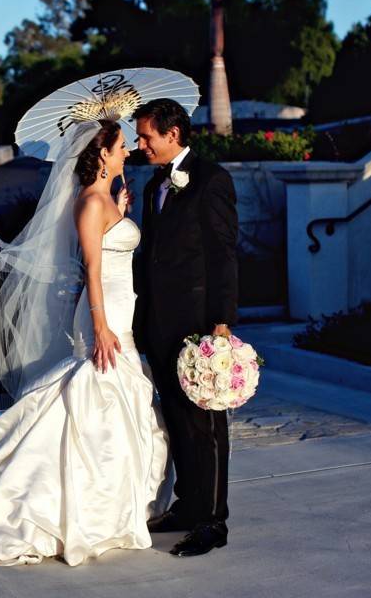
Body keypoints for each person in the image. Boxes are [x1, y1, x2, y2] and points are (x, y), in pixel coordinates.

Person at [0, 119, 172, 567]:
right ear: (102, 153)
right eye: (120, 146)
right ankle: (64, 509)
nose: (128, 151)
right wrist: (101, 325)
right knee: (98, 393)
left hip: (119, 305)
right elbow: (91, 269)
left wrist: (123, 213)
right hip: (104, 312)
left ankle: (115, 507)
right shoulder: (90, 202)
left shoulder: (104, 200)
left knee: (120, 396)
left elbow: (111, 250)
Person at [133, 98, 238, 557]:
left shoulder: (212, 180)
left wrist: (220, 326)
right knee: (176, 419)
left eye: (146, 137)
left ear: (172, 134)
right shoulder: (153, 184)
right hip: (158, 322)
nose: (140, 144)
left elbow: (223, 255)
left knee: (206, 424)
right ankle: (188, 505)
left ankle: (214, 520)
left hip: (197, 325)